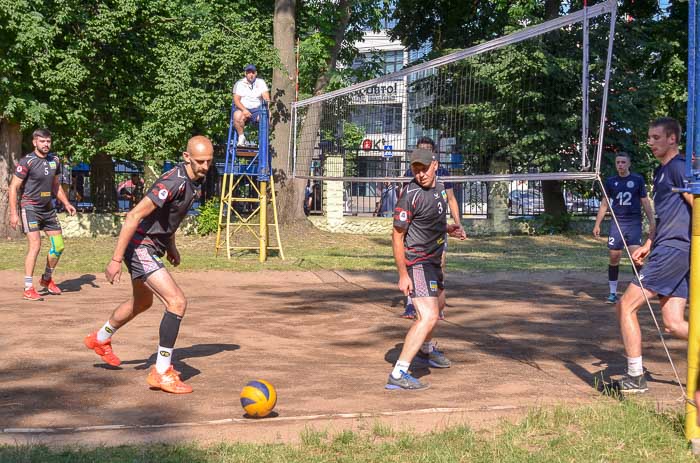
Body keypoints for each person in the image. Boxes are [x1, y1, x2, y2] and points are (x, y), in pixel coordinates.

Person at [84, 135, 214, 394]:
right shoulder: (173, 181)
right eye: (200, 161)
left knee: (142, 303)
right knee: (176, 302)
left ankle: (100, 338)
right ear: (187, 157)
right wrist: (115, 259)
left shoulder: (194, 181)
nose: (205, 166)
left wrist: (172, 246)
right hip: (140, 247)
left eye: (209, 161)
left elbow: (168, 217)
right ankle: (162, 371)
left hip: (153, 247)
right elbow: (134, 215)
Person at [614, 117, 690, 393]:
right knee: (673, 323)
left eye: (656, 137)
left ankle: (635, 377)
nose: (650, 142)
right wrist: (649, 242)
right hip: (667, 247)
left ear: (672, 139)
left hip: (675, 249)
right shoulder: (661, 172)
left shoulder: (679, 167)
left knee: (626, 306)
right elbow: (664, 215)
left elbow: (696, 203)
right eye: (649, 137)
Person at [387, 148, 466, 390]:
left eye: (424, 168)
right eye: (415, 169)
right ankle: (399, 373)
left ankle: (426, 349)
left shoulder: (441, 188)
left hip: (434, 260)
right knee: (428, 315)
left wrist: (448, 229)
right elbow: (397, 236)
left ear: (435, 165)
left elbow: (431, 221)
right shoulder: (409, 196)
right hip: (418, 261)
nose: (420, 174)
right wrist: (403, 274)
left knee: (440, 305)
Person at [8, 128, 76, 301]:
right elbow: (13, 187)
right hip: (30, 208)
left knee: (59, 246)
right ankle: (28, 287)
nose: (46, 144)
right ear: (34, 142)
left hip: (48, 209)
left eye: (48, 141)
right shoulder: (27, 161)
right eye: (42, 141)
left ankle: (46, 279)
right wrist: (14, 214)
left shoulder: (55, 160)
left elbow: (56, 185)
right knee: (35, 245)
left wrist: (66, 203)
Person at [402, 136, 462, 318]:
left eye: (428, 150)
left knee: (439, 263)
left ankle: (435, 304)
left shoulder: (443, 175)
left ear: (434, 156)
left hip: (438, 230)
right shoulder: (410, 175)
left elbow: (451, 199)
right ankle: (412, 304)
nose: (424, 153)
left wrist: (457, 224)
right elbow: (405, 201)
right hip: (417, 232)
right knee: (416, 266)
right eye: (421, 149)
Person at [593, 152, 655, 304]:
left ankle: (642, 290)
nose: (620, 165)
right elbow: (604, 204)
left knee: (637, 258)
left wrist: (652, 220)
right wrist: (597, 224)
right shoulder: (610, 181)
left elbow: (645, 202)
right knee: (614, 257)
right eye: (618, 162)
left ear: (629, 164)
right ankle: (613, 293)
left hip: (633, 223)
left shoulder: (637, 180)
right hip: (617, 223)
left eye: (623, 162)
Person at [233, 64, 270, 147]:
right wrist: (244, 110)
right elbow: (236, 100)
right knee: (237, 116)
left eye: (252, 72)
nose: (251, 75)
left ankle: (262, 142)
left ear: (256, 73)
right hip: (243, 108)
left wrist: (266, 102)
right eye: (249, 73)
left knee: (266, 116)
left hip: (257, 109)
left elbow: (266, 97)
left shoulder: (261, 82)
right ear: (245, 74)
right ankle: (241, 137)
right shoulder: (239, 83)